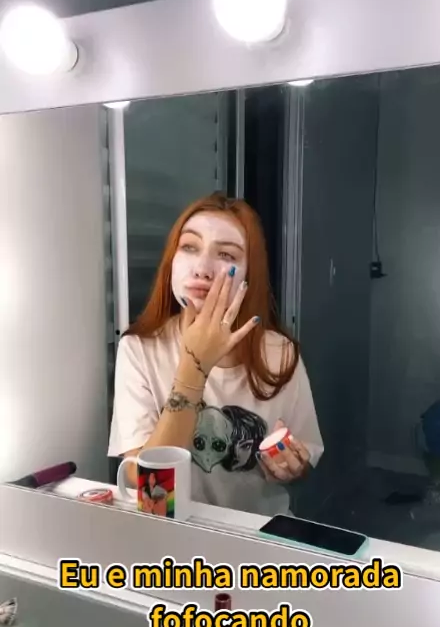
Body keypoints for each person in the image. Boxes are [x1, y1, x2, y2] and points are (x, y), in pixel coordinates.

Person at [108, 192, 324, 517]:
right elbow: (151, 491)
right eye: (189, 247)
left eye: (226, 254)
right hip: (175, 534)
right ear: (170, 262)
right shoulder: (139, 349)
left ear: (249, 274)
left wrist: (291, 467)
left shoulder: (281, 354)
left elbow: (304, 460)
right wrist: (194, 367)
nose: (203, 269)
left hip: (259, 535)